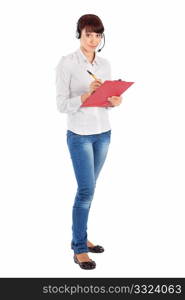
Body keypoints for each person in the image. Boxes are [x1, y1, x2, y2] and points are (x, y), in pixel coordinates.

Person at [55, 14, 122, 270]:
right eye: (88, 34)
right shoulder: (67, 63)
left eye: (98, 35)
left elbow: (106, 100)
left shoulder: (105, 64)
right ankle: (79, 247)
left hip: (103, 133)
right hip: (80, 135)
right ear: (79, 34)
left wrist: (115, 101)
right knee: (85, 192)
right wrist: (85, 95)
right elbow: (61, 105)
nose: (93, 40)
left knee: (89, 190)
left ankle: (82, 235)